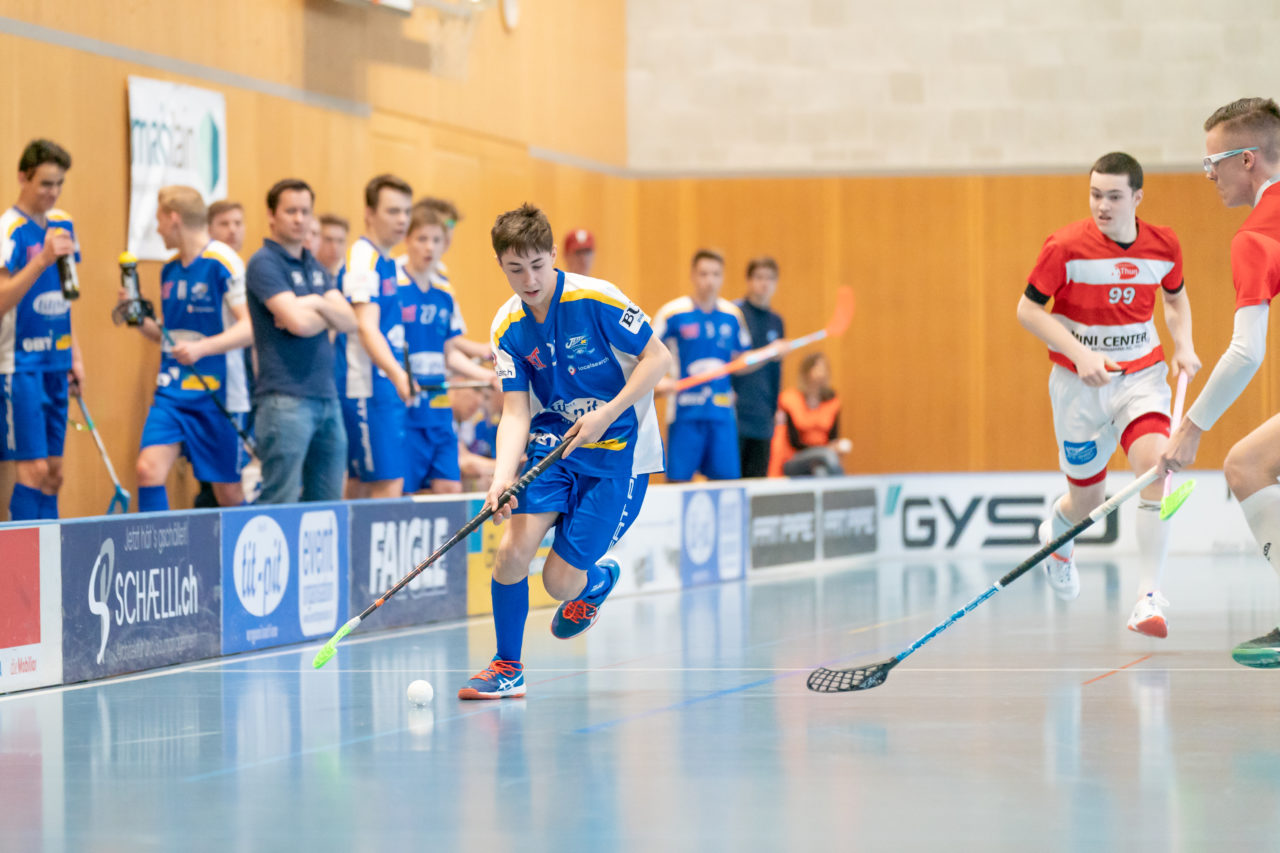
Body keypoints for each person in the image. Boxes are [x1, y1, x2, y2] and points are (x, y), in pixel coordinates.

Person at [458, 203, 671, 700]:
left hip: (619, 453)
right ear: (500, 265)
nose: (529, 280)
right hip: (553, 448)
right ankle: (507, 667)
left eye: (538, 265)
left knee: (557, 583)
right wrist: (501, 479)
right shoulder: (507, 326)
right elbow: (515, 412)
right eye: (515, 269)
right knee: (512, 553)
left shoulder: (597, 299)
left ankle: (592, 581)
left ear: (554, 255)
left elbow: (658, 358)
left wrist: (607, 413)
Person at [1016, 151, 1199, 638]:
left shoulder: (1163, 244)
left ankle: (1147, 599)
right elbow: (1027, 311)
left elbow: (1175, 297)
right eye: (1096, 194)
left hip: (1141, 378)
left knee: (1156, 470)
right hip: (1077, 388)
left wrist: (1183, 344)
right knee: (1086, 504)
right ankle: (1059, 538)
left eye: (1114, 196)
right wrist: (1081, 354)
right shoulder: (1064, 247)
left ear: (1137, 198)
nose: (1102, 206)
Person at [1159, 97, 1280, 666]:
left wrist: (1190, 428)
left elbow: (1245, 352)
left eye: (1214, 162)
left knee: (1246, 465)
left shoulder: (1256, 236)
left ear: (1248, 159)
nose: (1209, 174)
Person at [121, 186, 252, 510]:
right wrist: (137, 318)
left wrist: (203, 349)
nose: (158, 229)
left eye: (159, 221)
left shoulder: (223, 261)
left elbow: (249, 328)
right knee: (147, 470)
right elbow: (170, 337)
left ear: (174, 218)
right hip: (173, 392)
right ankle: (157, 543)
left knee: (229, 495)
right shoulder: (169, 269)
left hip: (219, 393)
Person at [245, 178, 357, 504]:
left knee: (328, 504)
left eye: (305, 211)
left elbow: (350, 321)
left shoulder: (315, 267)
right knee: (280, 501)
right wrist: (323, 311)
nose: (299, 219)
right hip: (284, 400)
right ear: (272, 215)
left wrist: (314, 303)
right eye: (290, 211)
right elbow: (297, 323)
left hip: (326, 398)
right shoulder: (264, 262)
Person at [0, 139, 85, 520]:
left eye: (59, 184)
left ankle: (49, 553)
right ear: (23, 178)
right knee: (33, 471)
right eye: (46, 183)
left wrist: (75, 356)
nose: (53, 192)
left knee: (53, 474)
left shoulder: (63, 224)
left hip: (57, 362)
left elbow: (64, 298)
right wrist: (41, 260)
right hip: (19, 365)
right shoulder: (9, 229)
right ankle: (22, 555)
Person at [399, 202, 496, 495]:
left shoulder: (444, 292)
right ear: (408, 238)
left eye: (437, 239)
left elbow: (449, 351)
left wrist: (487, 376)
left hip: (438, 407)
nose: (430, 246)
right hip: (405, 405)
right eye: (422, 238)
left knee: (449, 487)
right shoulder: (393, 283)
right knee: (404, 491)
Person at [340, 174, 414, 499]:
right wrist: (399, 375)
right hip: (367, 386)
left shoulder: (387, 261)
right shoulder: (363, 258)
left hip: (383, 385)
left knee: (361, 485)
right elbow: (365, 327)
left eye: (406, 212)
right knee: (387, 484)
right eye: (393, 211)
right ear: (369, 213)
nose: (402, 220)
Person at [653, 250, 754, 482]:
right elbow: (643, 352)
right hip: (684, 413)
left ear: (723, 277)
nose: (710, 280)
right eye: (704, 274)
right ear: (693, 275)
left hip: (722, 414)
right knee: (678, 484)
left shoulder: (732, 315)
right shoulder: (673, 313)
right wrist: (658, 382)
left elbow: (742, 361)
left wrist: (770, 353)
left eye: (716, 274)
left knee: (726, 486)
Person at [199, 198, 247, 509]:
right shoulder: (196, 268)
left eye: (238, 223)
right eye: (224, 224)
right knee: (212, 487)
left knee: (228, 488)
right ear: (208, 228)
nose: (232, 230)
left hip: (233, 390)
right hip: (197, 390)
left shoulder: (239, 270)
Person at [417, 196, 491, 362]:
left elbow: (449, 336)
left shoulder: (441, 276)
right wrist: (481, 349)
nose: (449, 231)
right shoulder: (401, 277)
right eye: (446, 224)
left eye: (452, 225)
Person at [733, 256, 785, 477]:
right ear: (749, 280)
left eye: (770, 278)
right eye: (759, 277)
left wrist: (775, 407)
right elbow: (731, 361)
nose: (764, 283)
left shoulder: (776, 321)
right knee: (732, 480)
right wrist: (770, 351)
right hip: (735, 413)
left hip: (763, 416)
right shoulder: (734, 314)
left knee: (757, 480)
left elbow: (776, 370)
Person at [768, 352, 850, 476]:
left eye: (824, 369)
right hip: (794, 458)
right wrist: (824, 449)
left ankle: (835, 486)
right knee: (826, 457)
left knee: (820, 469)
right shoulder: (790, 400)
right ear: (806, 372)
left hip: (822, 457)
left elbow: (833, 436)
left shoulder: (832, 402)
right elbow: (794, 441)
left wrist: (835, 447)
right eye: (817, 368)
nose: (821, 373)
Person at [315, 213, 350, 278]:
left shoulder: (348, 276)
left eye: (340, 241)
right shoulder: (306, 276)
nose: (335, 247)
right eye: (328, 240)